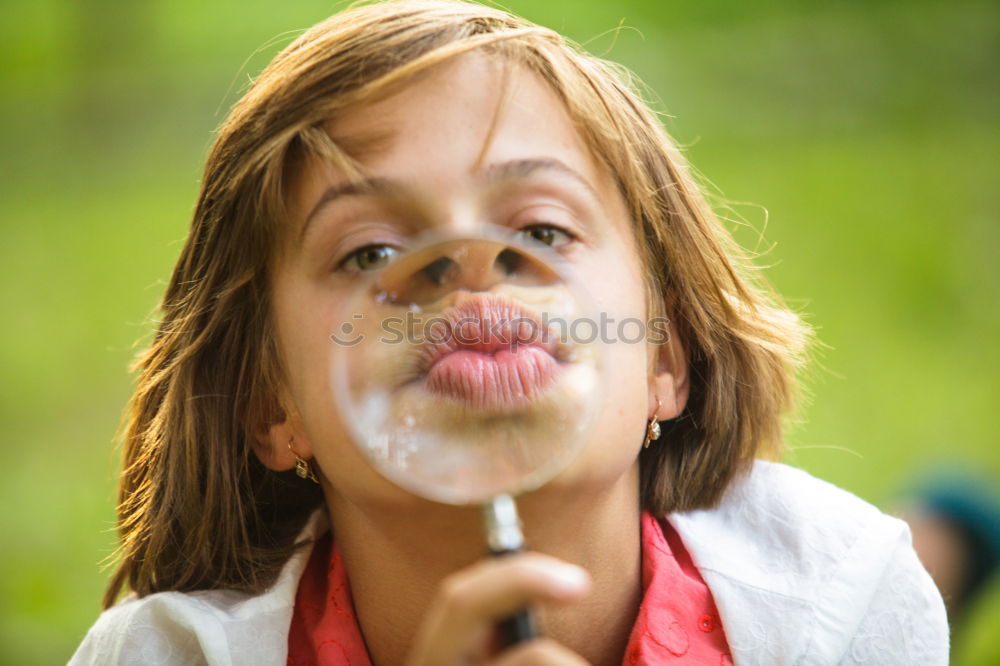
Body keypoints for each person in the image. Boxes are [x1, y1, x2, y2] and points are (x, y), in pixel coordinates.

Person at [69, 1, 948, 663]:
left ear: (665, 357)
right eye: (372, 249)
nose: (467, 269)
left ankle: (949, 534)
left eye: (540, 232)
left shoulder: (840, 604)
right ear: (273, 404)